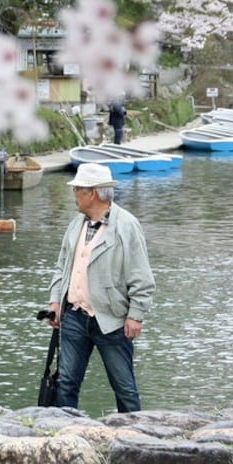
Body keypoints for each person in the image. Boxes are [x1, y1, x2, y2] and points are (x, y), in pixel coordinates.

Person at [45, 163, 155, 413]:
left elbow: (141, 276)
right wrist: (55, 302)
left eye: (77, 190)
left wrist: (135, 315)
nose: (74, 195)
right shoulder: (76, 224)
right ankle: (65, 433)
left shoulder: (126, 225)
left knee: (124, 387)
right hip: (74, 315)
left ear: (91, 193)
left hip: (112, 319)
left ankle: (137, 437)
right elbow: (62, 266)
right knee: (65, 383)